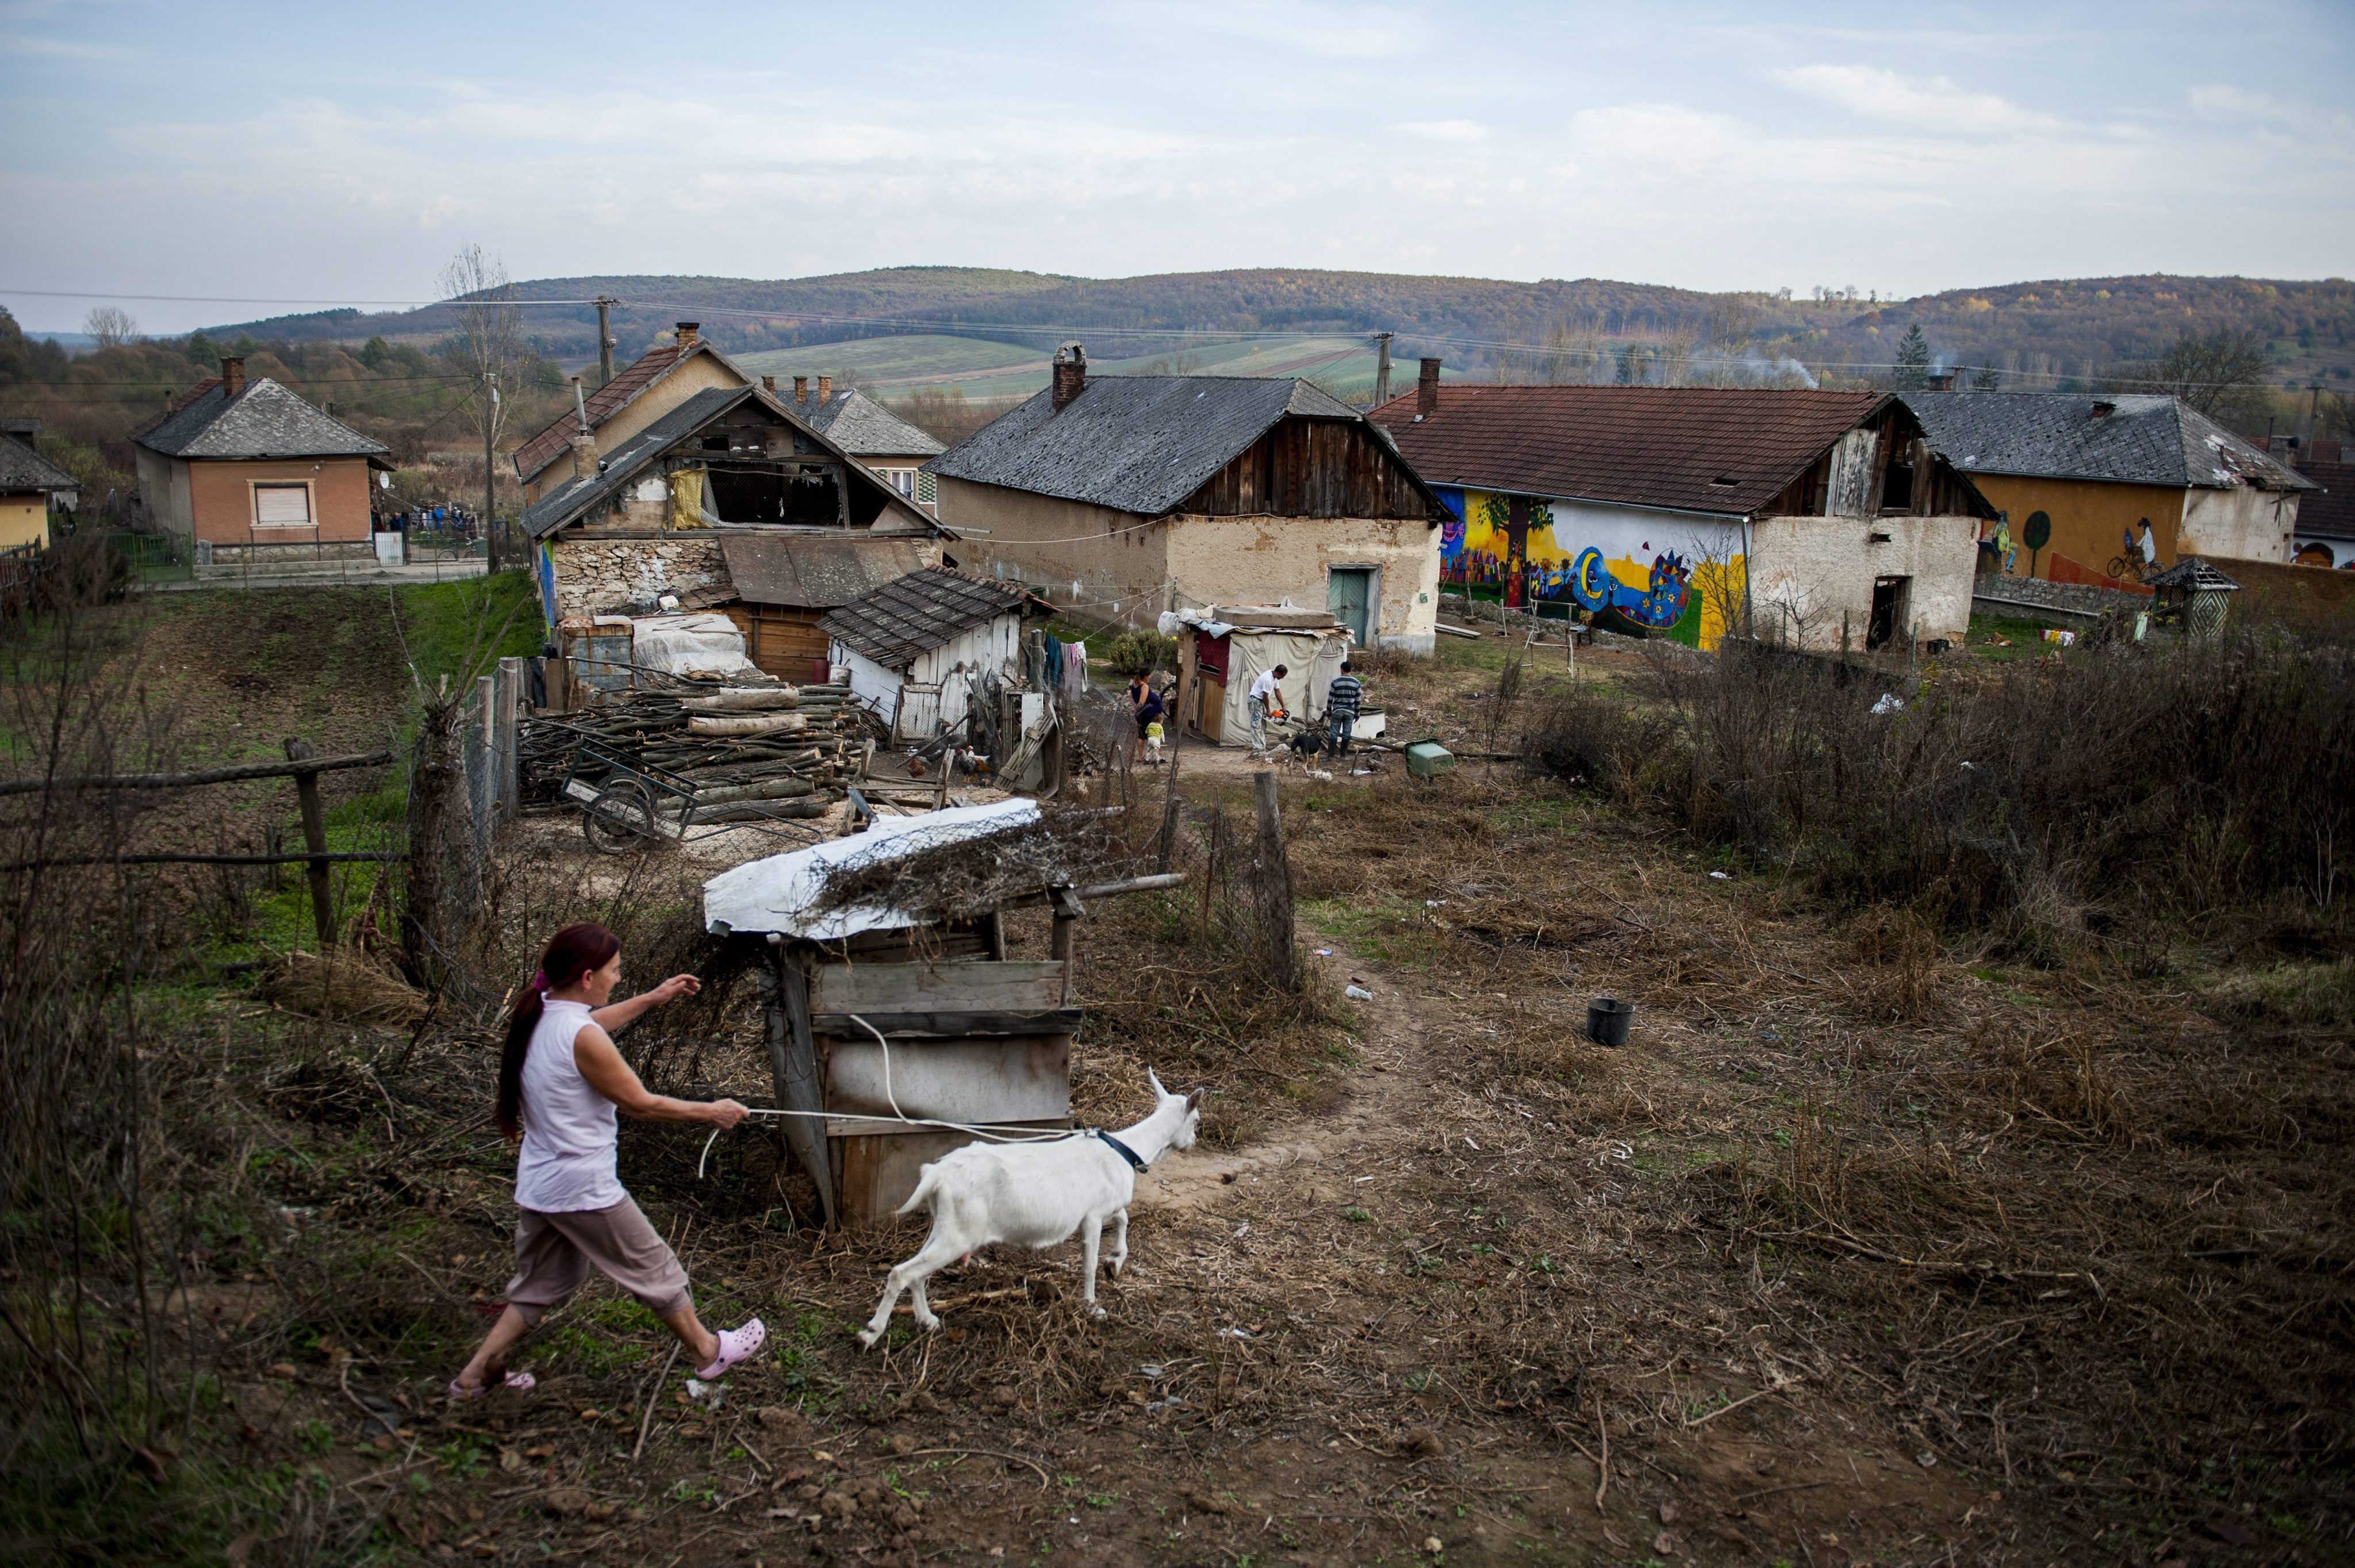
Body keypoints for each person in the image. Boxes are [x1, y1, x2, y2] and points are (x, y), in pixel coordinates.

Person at [450, 923, 763, 1400]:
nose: (619, 979)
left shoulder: (543, 1014)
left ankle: (473, 1376)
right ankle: (707, 1350)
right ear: (588, 976)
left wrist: (653, 998)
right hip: (582, 1187)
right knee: (655, 1268)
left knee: (543, 1283)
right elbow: (641, 1103)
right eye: (615, 972)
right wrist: (711, 1111)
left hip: (542, 1182)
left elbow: (591, 1025)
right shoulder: (579, 1034)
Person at [1246, 664, 1287, 756]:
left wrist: (1283, 706)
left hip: (1261, 702)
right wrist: (1268, 711)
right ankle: (1257, 748)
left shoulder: (1275, 678)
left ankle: (1262, 746)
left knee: (1263, 724)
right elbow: (1265, 697)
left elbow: (1278, 692)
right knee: (1256, 725)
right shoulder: (1267, 680)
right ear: (1277, 673)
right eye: (1282, 676)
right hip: (1256, 701)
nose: (1283, 678)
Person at [1325, 660, 1363, 757]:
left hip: (1337, 711)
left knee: (1333, 733)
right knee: (1346, 734)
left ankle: (1331, 756)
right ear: (1351, 670)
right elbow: (1358, 701)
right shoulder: (1357, 683)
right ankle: (1343, 756)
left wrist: (1329, 713)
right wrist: (1357, 714)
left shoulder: (1335, 682)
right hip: (1350, 712)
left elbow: (1330, 699)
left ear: (1342, 670)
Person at [1132, 677, 1167, 764]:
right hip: (1148, 715)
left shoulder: (1134, 686)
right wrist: (1138, 708)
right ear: (1145, 676)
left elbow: (1131, 697)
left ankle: (1143, 757)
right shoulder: (1144, 687)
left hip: (1143, 714)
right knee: (1155, 746)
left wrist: (1136, 708)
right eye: (1149, 676)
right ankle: (1157, 758)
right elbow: (1142, 702)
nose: (1150, 677)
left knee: (1141, 734)